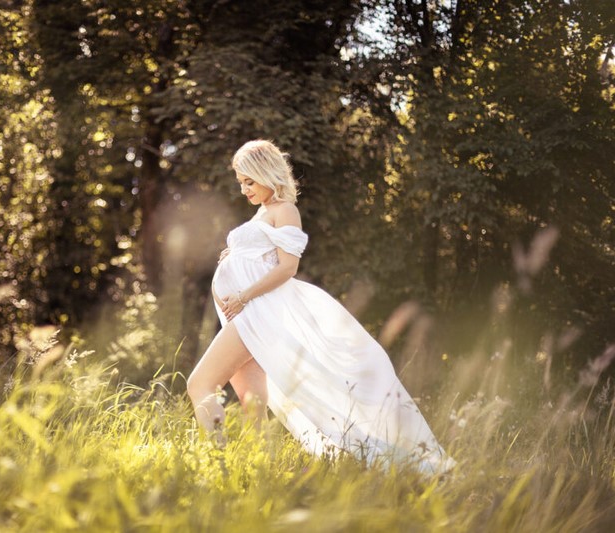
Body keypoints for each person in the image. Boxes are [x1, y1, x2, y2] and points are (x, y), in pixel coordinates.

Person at [186, 140, 455, 474]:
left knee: (199, 384)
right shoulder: (262, 212)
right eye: (240, 182)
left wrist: (243, 296)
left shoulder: (284, 209)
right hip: (244, 316)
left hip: (255, 315)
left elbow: (287, 268)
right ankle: (258, 471)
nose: (244, 189)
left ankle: (216, 465)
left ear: (266, 173)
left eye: (249, 181)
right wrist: (236, 256)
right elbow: (262, 254)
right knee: (253, 402)